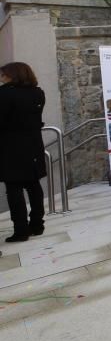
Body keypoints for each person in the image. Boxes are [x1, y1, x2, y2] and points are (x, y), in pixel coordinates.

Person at [0, 62, 47, 243]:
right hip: (33, 144)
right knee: (33, 185)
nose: (2, 78)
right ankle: (37, 225)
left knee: (14, 189)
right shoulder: (38, 93)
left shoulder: (4, 94)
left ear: (13, 75)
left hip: (10, 147)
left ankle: (21, 230)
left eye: (4, 75)